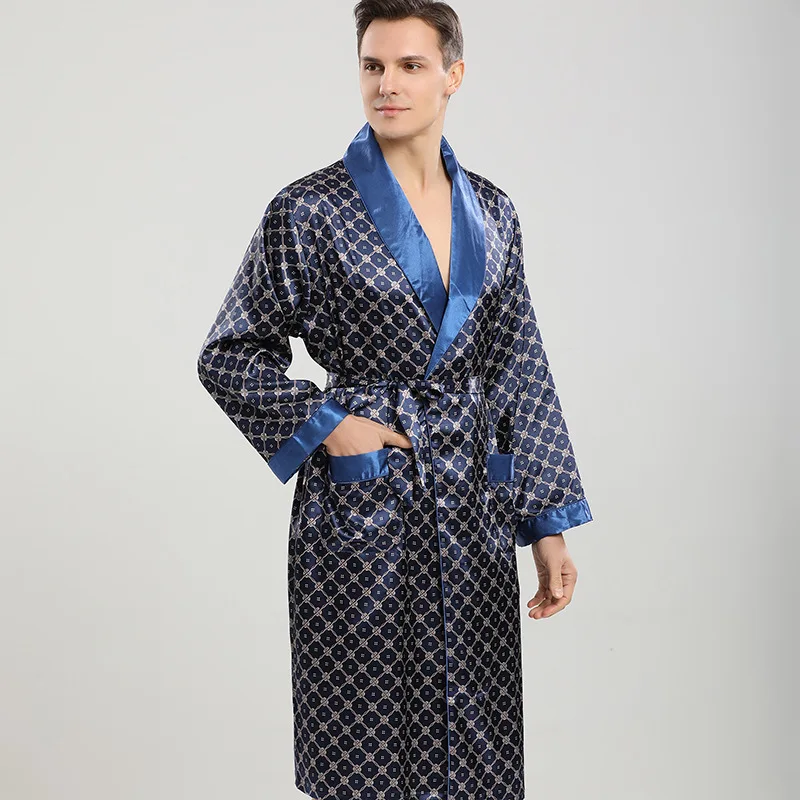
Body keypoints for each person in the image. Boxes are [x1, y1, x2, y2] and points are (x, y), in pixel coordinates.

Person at [197, 1, 593, 798]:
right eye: (373, 66)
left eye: (411, 65)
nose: (388, 84)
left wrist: (546, 525)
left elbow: (518, 365)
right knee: (363, 732)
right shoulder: (309, 210)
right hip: (361, 510)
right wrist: (329, 425)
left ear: (452, 75)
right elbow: (229, 353)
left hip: (473, 506)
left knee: (473, 735)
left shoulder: (494, 212)